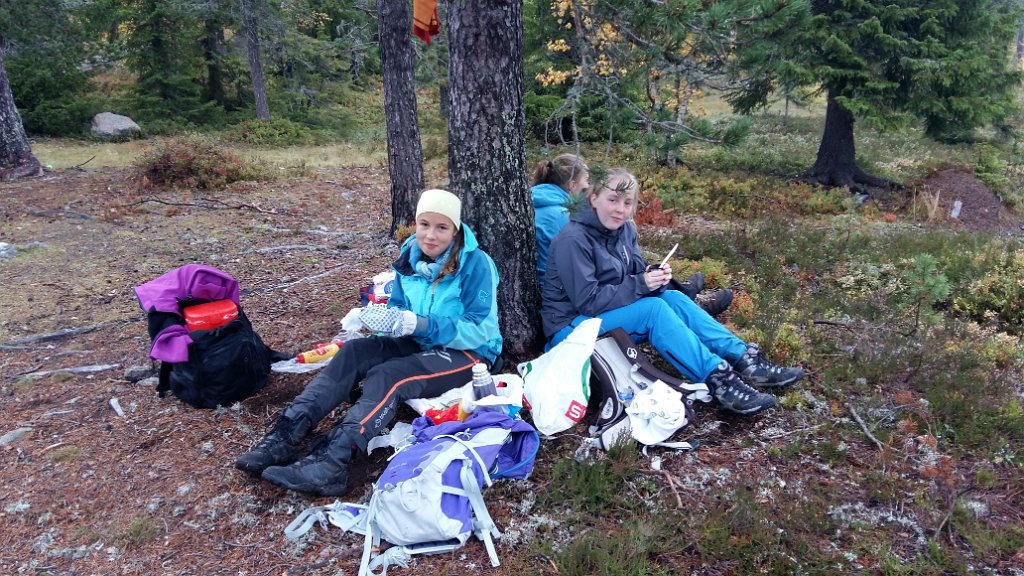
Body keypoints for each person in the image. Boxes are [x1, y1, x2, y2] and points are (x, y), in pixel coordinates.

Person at [236, 189, 502, 496]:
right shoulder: (410, 255)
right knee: (355, 351)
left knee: (389, 375)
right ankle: (285, 435)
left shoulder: (475, 264)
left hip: (469, 353)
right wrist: (378, 319)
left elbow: (480, 328)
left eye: (442, 227)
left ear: (455, 230)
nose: (430, 235)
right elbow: (399, 307)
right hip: (420, 340)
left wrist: (420, 324)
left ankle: (333, 463)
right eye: (424, 224)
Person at [541, 169, 803, 415]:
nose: (620, 209)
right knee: (653, 310)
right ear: (594, 198)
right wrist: (642, 284)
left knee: (673, 298)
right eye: (613, 200)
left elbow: (634, 271)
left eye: (627, 202)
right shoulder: (573, 239)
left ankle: (744, 358)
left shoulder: (624, 229)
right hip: (570, 328)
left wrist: (655, 277)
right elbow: (589, 301)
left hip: (603, 316)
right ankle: (719, 381)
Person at [531, 154, 731, 315]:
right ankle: (688, 301)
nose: (588, 191)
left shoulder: (539, 204)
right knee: (635, 278)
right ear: (573, 185)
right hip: (570, 299)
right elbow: (596, 274)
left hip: (569, 288)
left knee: (636, 266)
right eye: (586, 185)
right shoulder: (566, 218)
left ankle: (682, 294)